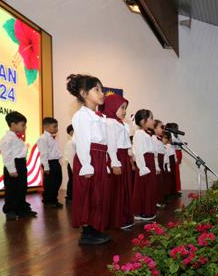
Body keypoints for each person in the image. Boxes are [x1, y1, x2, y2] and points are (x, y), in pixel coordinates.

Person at [67, 74, 111, 246]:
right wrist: (86, 165)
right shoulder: (82, 116)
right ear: (84, 93)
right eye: (96, 90)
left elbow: (104, 142)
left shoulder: (98, 116)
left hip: (98, 157)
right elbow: (83, 141)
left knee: (98, 195)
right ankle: (87, 233)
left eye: (102, 90)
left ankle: (95, 227)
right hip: (89, 157)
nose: (102, 93)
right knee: (87, 195)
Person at [102, 94, 134, 231]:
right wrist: (114, 163)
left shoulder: (120, 123)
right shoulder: (110, 122)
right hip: (117, 157)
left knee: (124, 188)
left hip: (123, 157)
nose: (124, 111)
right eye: (122, 107)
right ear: (112, 106)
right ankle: (117, 219)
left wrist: (130, 157)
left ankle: (124, 216)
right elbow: (111, 145)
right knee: (117, 190)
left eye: (125, 108)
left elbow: (126, 143)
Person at [0, 111, 36, 221]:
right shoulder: (7, 138)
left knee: (21, 188)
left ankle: (21, 209)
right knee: (12, 189)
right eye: (23, 125)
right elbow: (7, 155)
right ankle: (10, 210)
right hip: (13, 165)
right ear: (13, 124)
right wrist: (11, 169)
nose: (25, 127)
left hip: (20, 164)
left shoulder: (17, 138)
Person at [131, 109, 157, 221]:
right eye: (151, 118)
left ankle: (148, 210)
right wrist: (142, 167)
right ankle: (142, 211)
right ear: (143, 121)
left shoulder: (147, 134)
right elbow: (138, 152)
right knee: (144, 187)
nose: (153, 121)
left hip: (149, 161)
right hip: (145, 163)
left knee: (149, 187)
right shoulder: (139, 134)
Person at [37, 117, 63, 208]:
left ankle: (54, 199)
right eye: (54, 126)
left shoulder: (52, 138)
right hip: (49, 163)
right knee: (50, 183)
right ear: (46, 127)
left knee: (57, 181)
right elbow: (44, 154)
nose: (57, 128)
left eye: (57, 126)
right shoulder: (43, 138)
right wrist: (46, 167)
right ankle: (48, 201)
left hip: (55, 162)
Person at [152, 120, 167, 208]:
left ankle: (159, 200)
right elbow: (155, 154)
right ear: (154, 128)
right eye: (161, 127)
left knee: (160, 183)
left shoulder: (160, 139)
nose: (163, 129)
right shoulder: (153, 139)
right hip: (157, 163)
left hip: (161, 162)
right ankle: (156, 201)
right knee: (157, 183)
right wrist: (157, 166)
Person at [64, 125, 75, 203]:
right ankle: (70, 196)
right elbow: (70, 156)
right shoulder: (70, 143)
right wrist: (73, 167)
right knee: (72, 180)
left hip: (74, 164)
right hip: (71, 164)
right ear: (71, 132)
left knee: (73, 180)